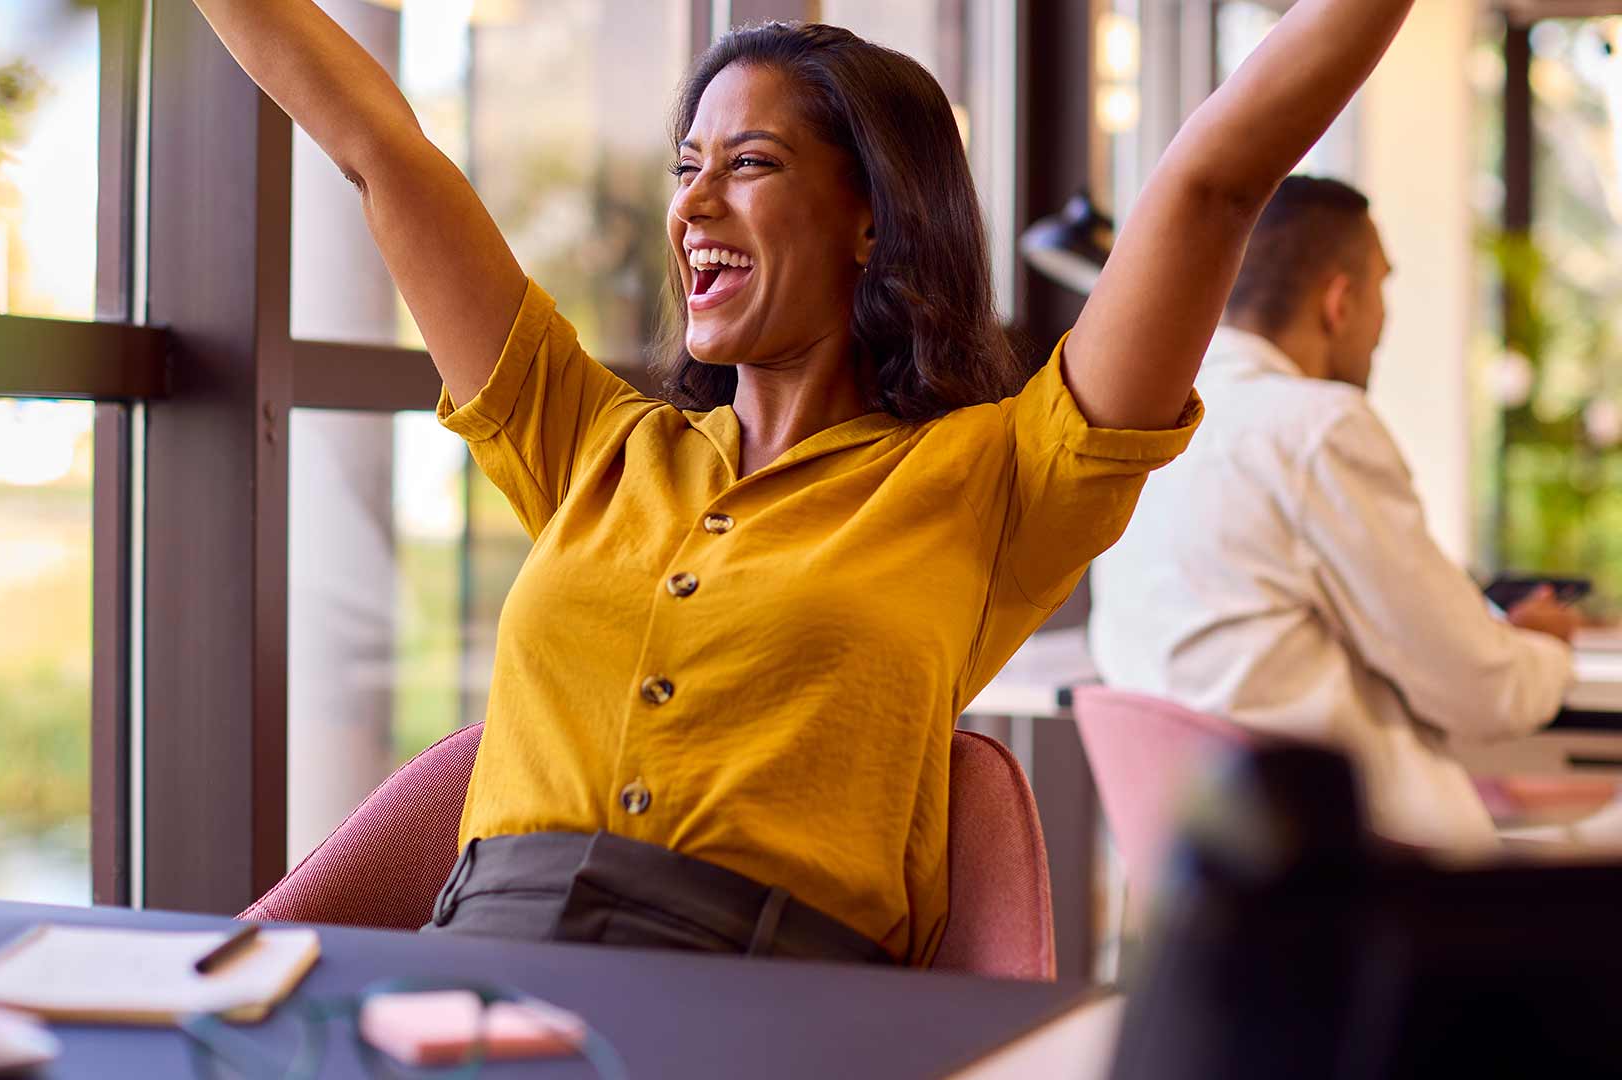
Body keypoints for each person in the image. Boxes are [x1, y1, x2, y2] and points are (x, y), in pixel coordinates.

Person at [190, 0, 1417, 965]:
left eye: (751, 163)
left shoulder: (994, 477)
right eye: (687, 165)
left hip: (767, 999)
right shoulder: (596, 447)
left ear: (870, 219)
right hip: (485, 980)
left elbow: (1213, 183)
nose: (694, 203)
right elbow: (380, 153)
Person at [1089, 176, 1581, 854]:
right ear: (1340, 300)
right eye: (1384, 288)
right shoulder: (1314, 430)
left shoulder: (1144, 428)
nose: (1384, 323)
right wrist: (1544, 650)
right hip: (1368, 884)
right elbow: (1480, 690)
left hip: (1220, 881)